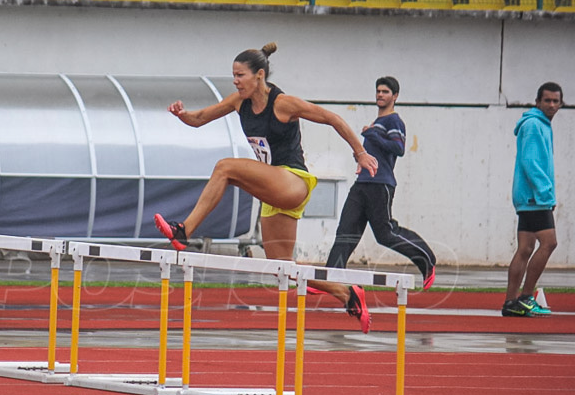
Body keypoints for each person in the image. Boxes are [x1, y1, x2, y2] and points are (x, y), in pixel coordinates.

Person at [154, 42, 380, 333]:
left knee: (225, 167)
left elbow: (331, 118)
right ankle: (347, 294)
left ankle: (184, 230)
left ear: (259, 75)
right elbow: (200, 119)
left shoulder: (283, 103)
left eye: (240, 76)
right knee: (283, 267)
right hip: (274, 190)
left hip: (293, 181)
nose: (235, 81)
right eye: (233, 76)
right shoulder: (238, 101)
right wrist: (182, 114)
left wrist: (360, 153)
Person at [324, 77, 437, 290]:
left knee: (385, 234)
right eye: (378, 91)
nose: (380, 95)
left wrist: (371, 134)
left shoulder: (393, 121)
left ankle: (426, 260)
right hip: (362, 184)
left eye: (385, 91)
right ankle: (329, 280)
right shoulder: (376, 123)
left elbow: (398, 148)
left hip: (380, 185)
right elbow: (374, 153)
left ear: (395, 96)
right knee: (345, 233)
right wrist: (359, 157)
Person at [503, 82, 563, 316]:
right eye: (546, 100)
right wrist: (546, 193)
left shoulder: (540, 125)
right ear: (537, 102)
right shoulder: (534, 125)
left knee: (526, 248)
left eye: (555, 101)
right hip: (534, 197)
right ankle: (527, 297)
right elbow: (530, 162)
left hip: (529, 197)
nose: (551, 105)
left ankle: (511, 304)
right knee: (549, 243)